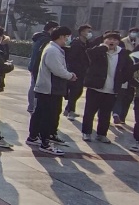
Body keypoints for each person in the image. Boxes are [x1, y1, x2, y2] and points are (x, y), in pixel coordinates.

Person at [80, 32, 132, 143]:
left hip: (111, 90)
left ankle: (101, 134)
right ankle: (86, 132)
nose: (112, 41)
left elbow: (129, 68)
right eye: (109, 39)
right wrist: (103, 48)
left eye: (115, 40)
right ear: (104, 40)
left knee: (105, 114)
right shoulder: (98, 51)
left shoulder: (122, 53)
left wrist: (121, 80)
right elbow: (89, 55)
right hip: (95, 88)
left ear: (118, 42)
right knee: (89, 112)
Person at [32, 26, 76, 155]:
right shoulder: (52, 50)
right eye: (67, 37)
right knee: (48, 116)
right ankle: (45, 143)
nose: (68, 39)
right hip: (50, 88)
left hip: (49, 88)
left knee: (40, 113)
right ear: (61, 36)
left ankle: (33, 136)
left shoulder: (54, 49)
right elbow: (57, 70)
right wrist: (70, 76)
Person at [27, 21, 59, 115]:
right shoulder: (46, 40)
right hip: (38, 66)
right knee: (36, 87)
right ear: (52, 29)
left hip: (34, 65)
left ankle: (31, 106)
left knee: (33, 85)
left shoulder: (39, 37)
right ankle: (33, 106)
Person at [63, 24, 93, 120]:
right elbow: (71, 58)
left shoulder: (87, 44)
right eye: (88, 31)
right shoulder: (76, 44)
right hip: (75, 71)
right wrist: (72, 71)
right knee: (75, 91)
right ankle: (71, 111)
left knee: (78, 91)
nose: (89, 33)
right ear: (82, 32)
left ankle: (68, 109)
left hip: (84, 71)